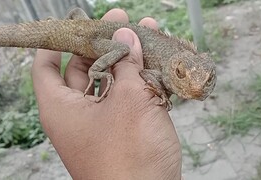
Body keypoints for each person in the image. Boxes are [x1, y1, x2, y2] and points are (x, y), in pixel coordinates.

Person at [31, 8, 182, 180]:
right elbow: (147, 75)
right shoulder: (166, 68)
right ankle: (94, 70)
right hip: (90, 39)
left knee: (79, 12)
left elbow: (75, 13)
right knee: (123, 48)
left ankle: (65, 30)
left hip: (89, 35)